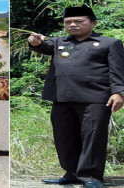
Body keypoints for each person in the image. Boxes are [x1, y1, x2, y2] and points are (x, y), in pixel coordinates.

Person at [28, 5, 124, 188]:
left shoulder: (109, 43)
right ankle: (71, 174)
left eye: (79, 21)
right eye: (68, 22)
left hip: (95, 98)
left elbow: (118, 70)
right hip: (62, 97)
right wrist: (34, 41)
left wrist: (118, 92)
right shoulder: (59, 42)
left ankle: (90, 177)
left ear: (93, 23)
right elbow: (41, 46)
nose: (72, 25)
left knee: (93, 137)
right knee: (64, 137)